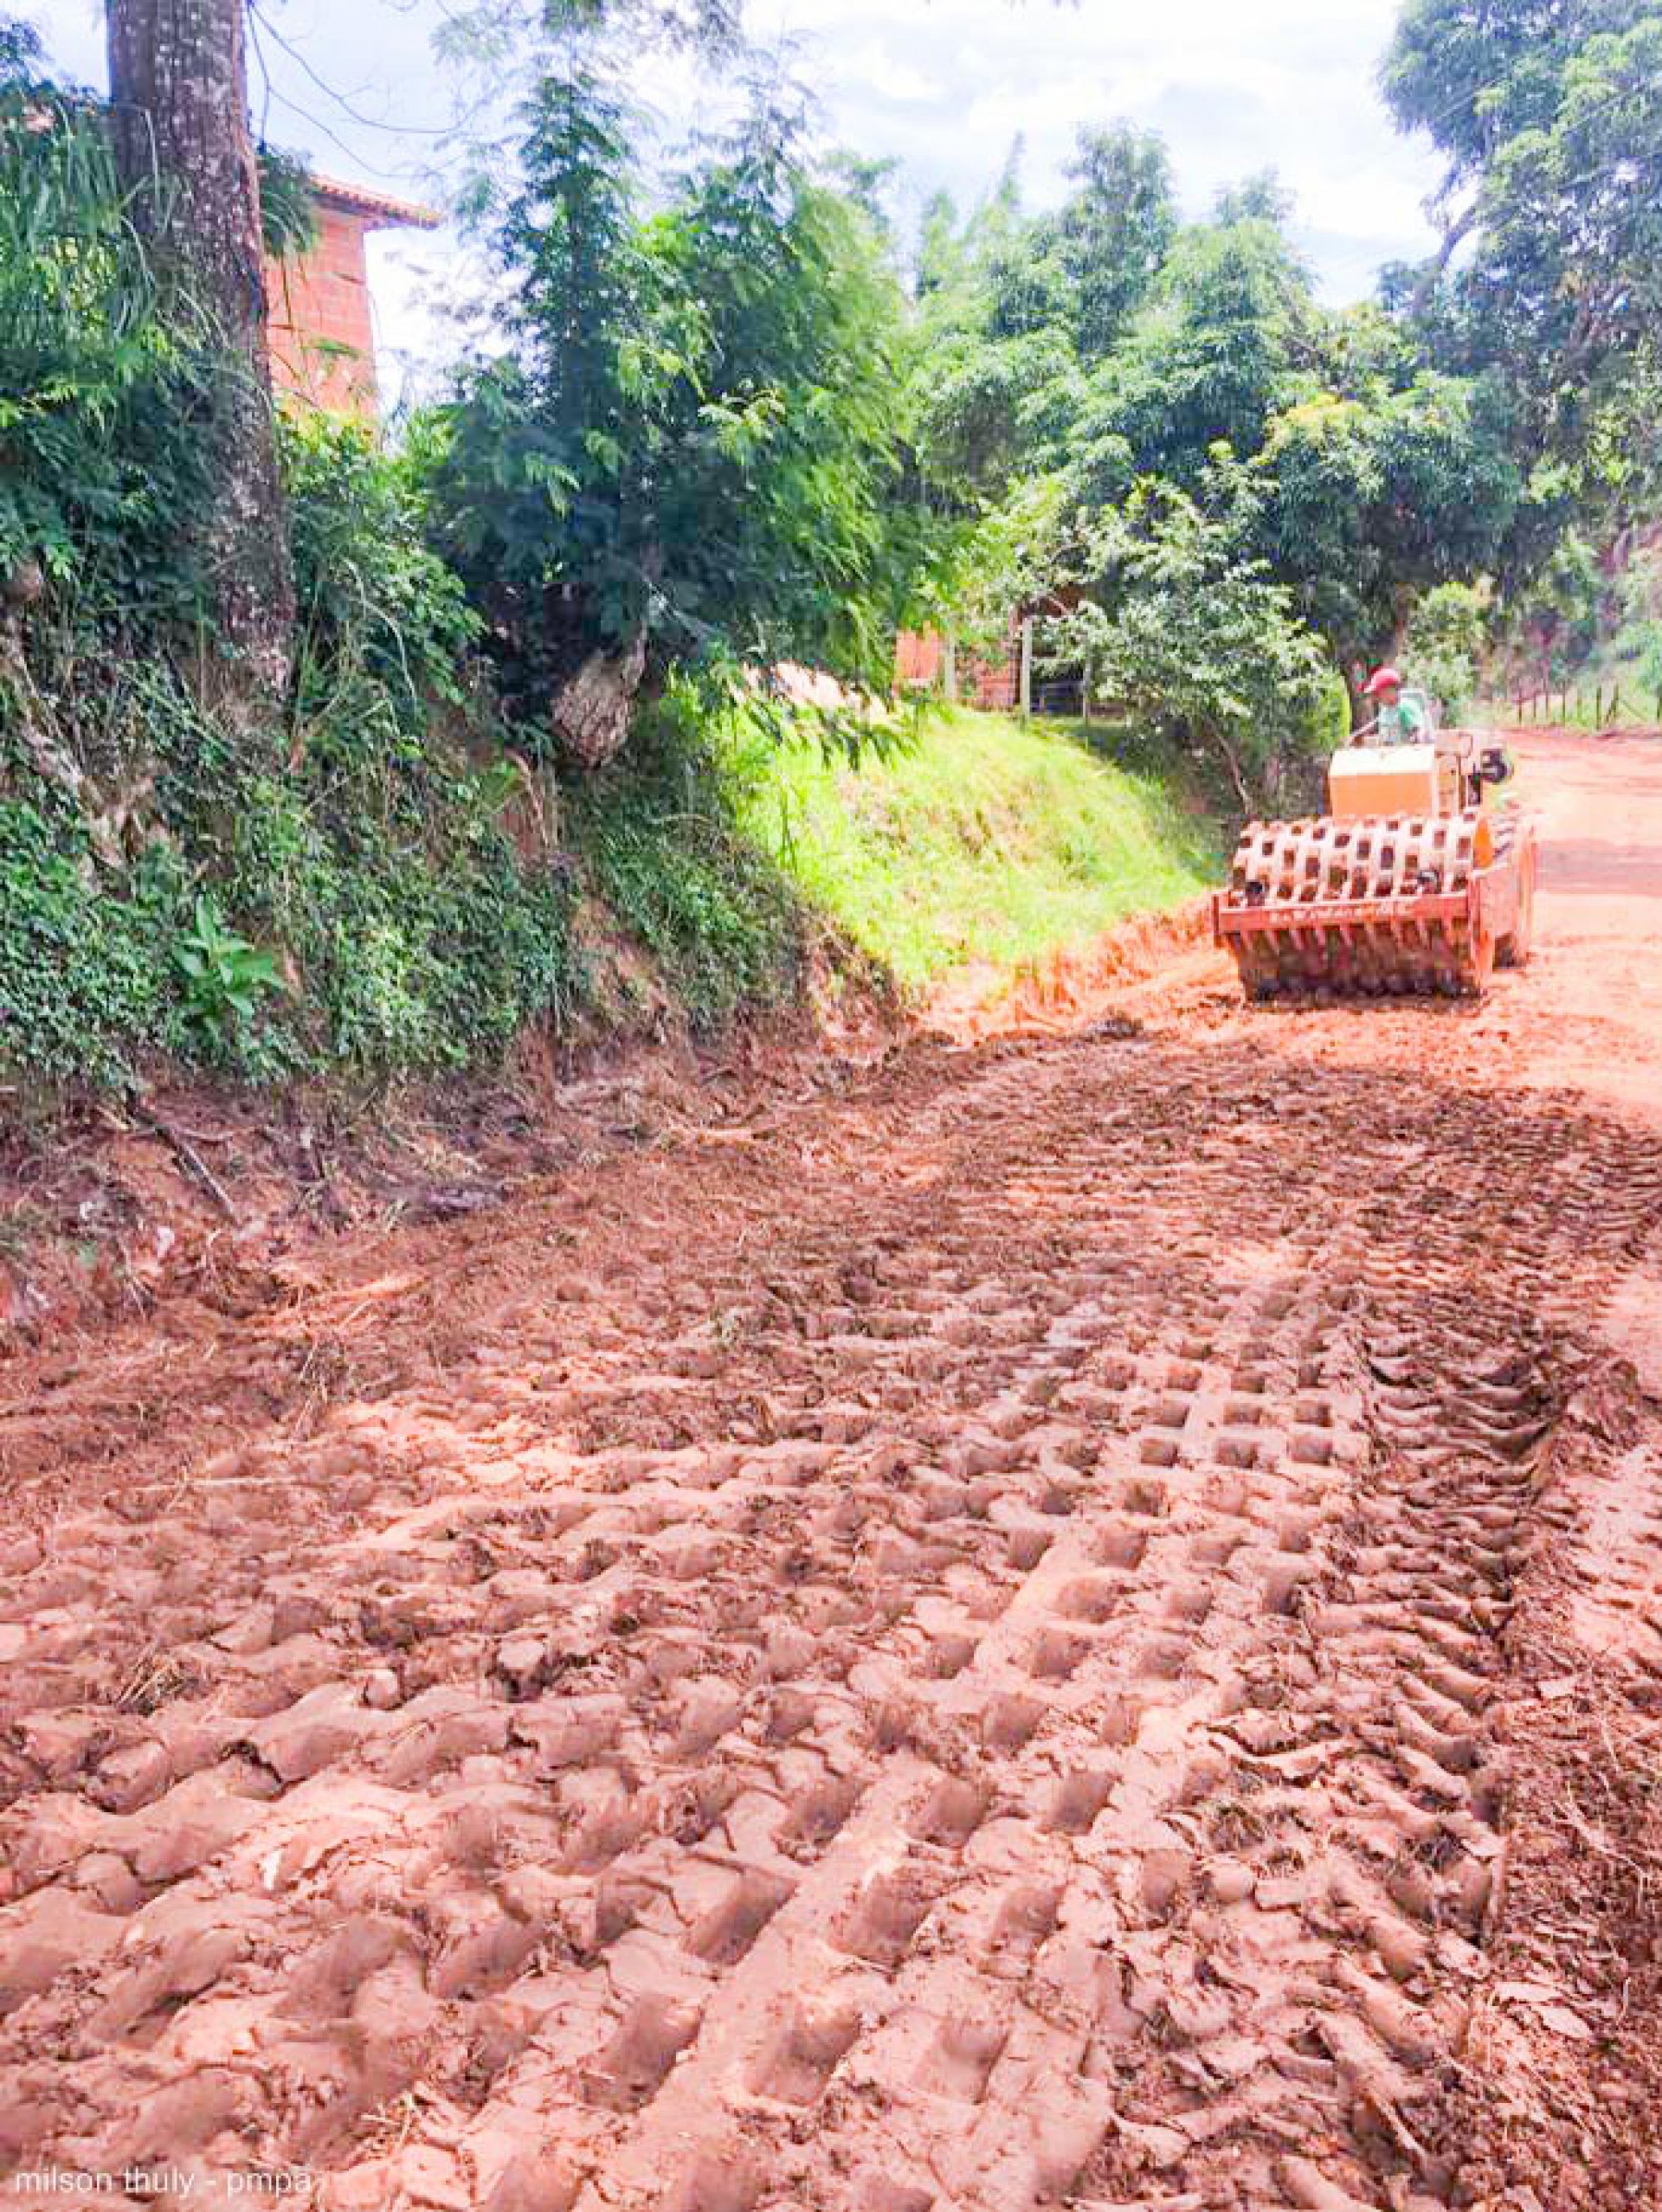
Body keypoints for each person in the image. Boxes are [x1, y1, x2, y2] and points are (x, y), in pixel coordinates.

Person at [1355, 666, 1427, 745]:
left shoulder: (1405, 707)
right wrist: (1360, 733)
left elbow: (1417, 730)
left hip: (1404, 753)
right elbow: (1377, 721)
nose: (1375, 697)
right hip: (1388, 752)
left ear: (1390, 690)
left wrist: (1415, 739)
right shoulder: (1386, 708)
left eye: (1377, 693)